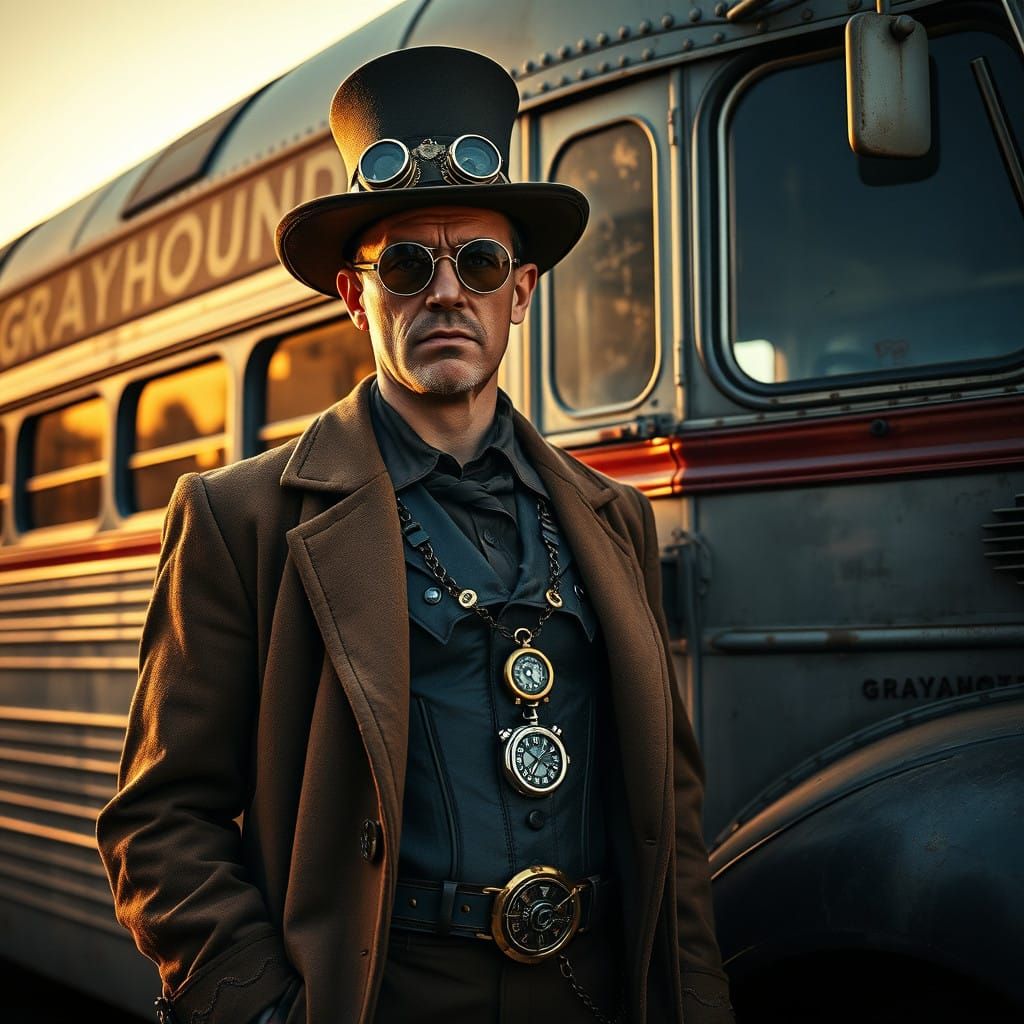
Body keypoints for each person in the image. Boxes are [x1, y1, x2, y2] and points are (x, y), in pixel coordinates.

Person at [96, 45, 734, 1024]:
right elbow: (159, 820)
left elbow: (670, 817)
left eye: (478, 261)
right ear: (356, 297)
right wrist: (265, 1011)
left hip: (589, 992)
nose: (445, 292)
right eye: (404, 263)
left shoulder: (616, 519)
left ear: (519, 292)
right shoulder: (241, 517)